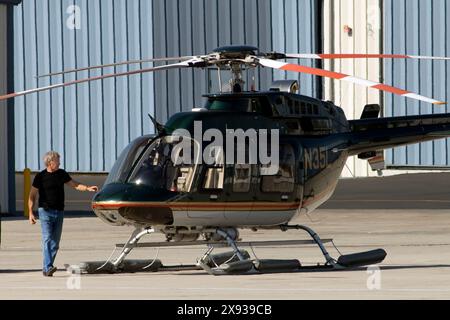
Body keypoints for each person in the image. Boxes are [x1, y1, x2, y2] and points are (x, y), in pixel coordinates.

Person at [28, 151, 99, 277]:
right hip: (45, 211)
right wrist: (30, 213)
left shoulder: (61, 174)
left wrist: (87, 188)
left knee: (55, 243)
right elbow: (32, 195)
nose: (60, 162)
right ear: (50, 162)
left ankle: (46, 268)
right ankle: (48, 266)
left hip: (59, 212)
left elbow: (75, 185)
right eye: (57, 160)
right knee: (47, 239)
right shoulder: (40, 176)